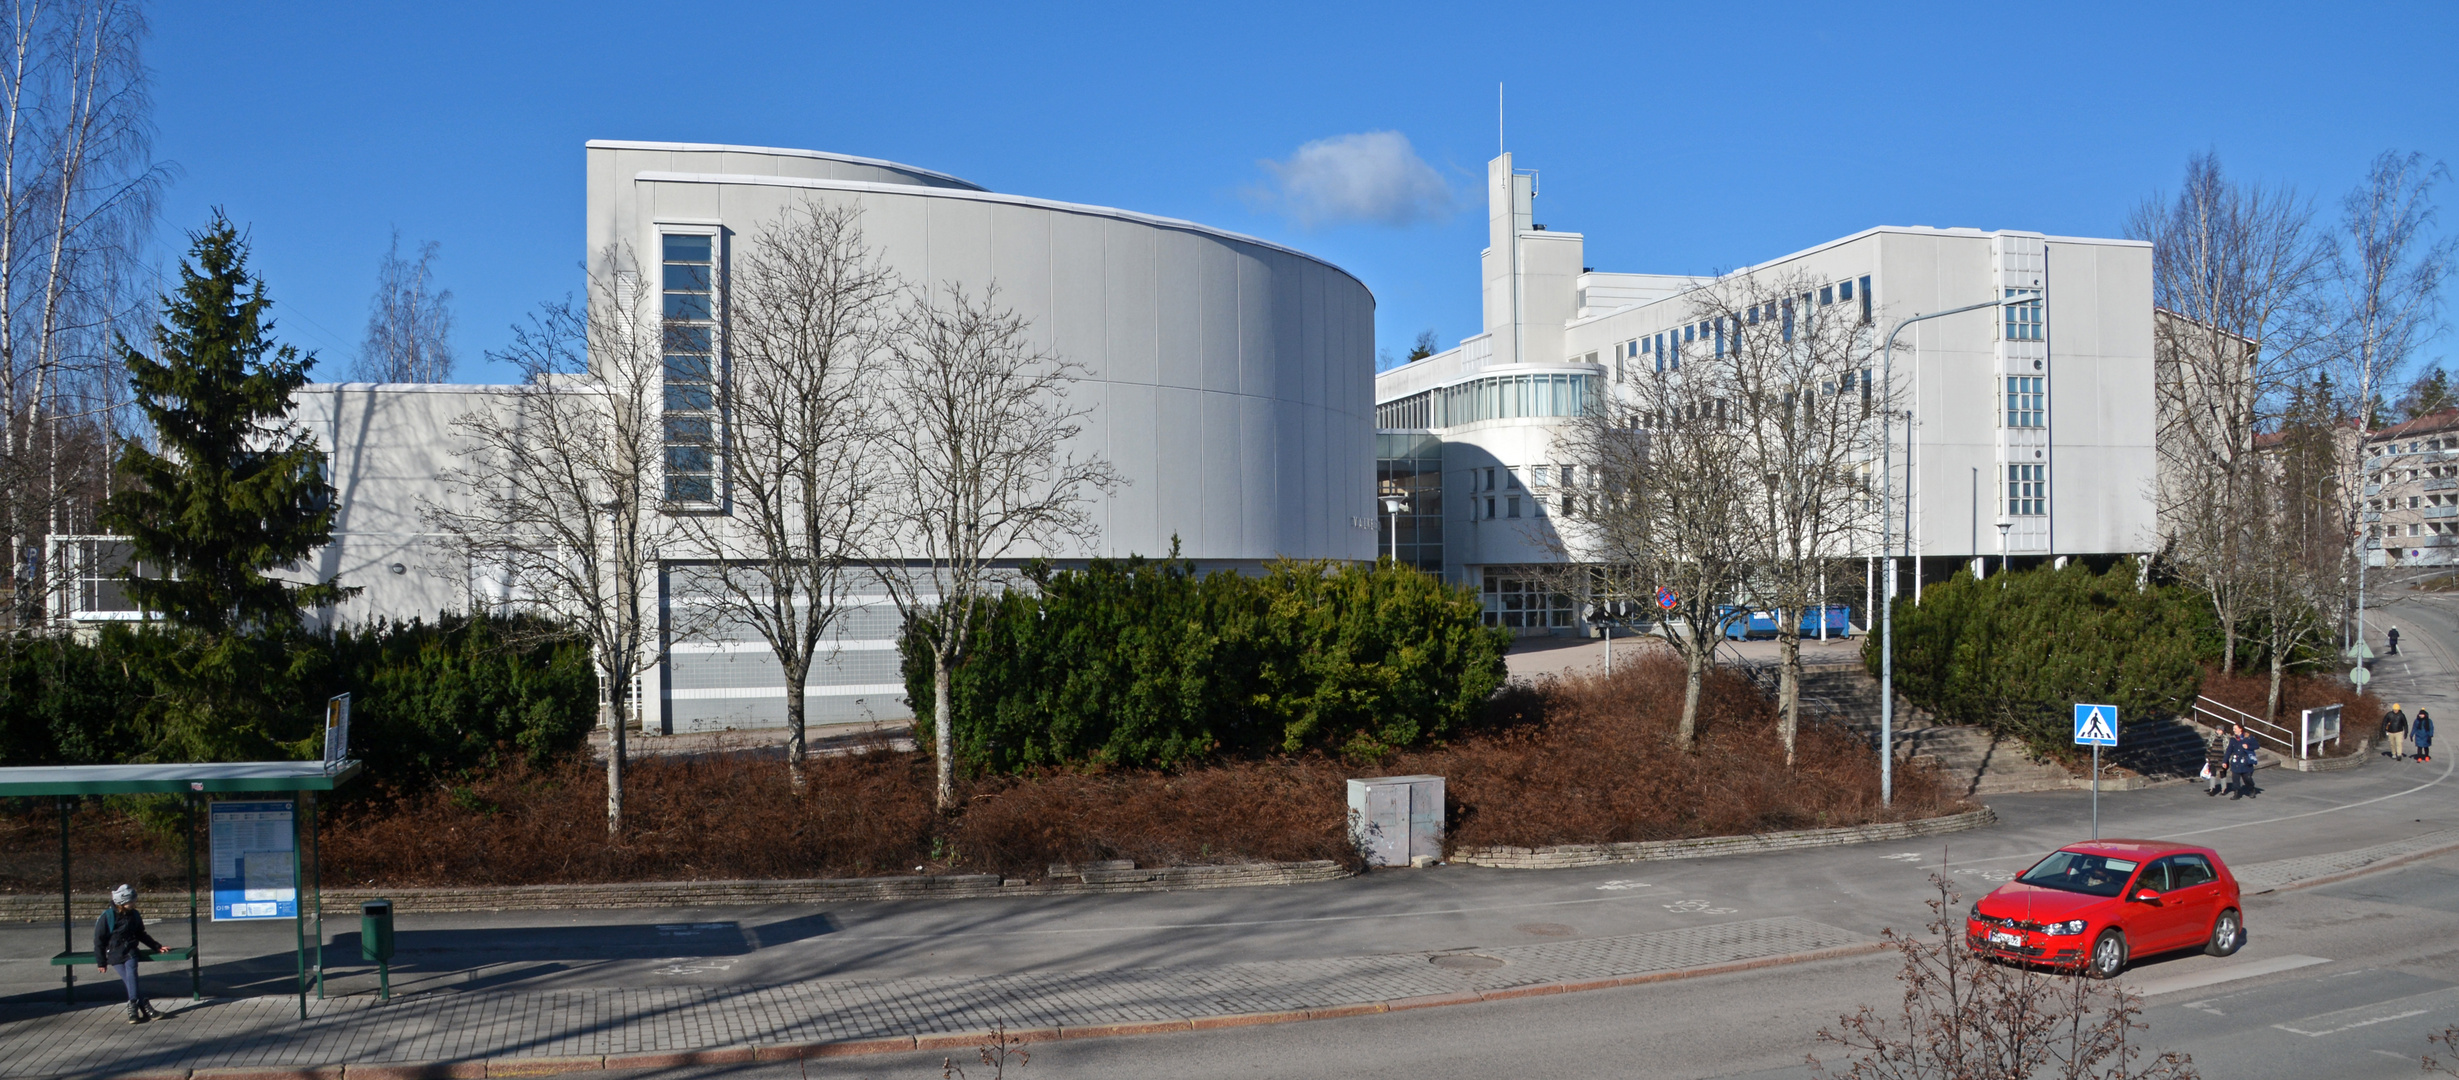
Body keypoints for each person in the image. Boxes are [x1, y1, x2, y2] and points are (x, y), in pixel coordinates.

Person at [93, 884, 165, 1023]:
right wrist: (101, 962)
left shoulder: (134, 915)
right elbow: (99, 941)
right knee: (130, 982)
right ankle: (145, 1006)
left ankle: (132, 1007)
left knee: (132, 974)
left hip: (131, 951)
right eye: (131, 901)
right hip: (114, 954)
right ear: (121, 901)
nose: (133, 903)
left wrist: (156, 946)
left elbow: (141, 934)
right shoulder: (107, 917)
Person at [2226, 723, 2262, 799]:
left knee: (2247, 778)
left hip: (2246, 763)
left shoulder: (2249, 738)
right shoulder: (2233, 739)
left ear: (2240, 729)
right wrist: (2224, 761)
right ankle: (2236, 793)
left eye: (2235, 728)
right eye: (2233, 728)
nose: (2233, 730)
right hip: (2236, 763)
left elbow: (2257, 745)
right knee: (2235, 779)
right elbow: (2229, 751)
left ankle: (2251, 789)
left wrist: (2248, 747)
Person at [2204, 730, 2230, 795]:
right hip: (2213, 758)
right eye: (2217, 729)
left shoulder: (2226, 738)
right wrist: (2207, 756)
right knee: (2213, 774)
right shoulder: (2213, 737)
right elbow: (2209, 747)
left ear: (2223, 731)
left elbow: (2228, 750)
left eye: (2220, 730)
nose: (2218, 731)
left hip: (2222, 759)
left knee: (2223, 774)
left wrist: (2226, 759)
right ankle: (2212, 789)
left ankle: (2223, 789)